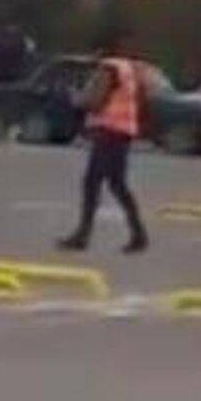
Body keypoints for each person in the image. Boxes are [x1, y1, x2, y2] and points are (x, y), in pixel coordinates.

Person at [56, 30, 149, 255]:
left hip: (108, 131)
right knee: (117, 184)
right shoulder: (133, 69)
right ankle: (138, 234)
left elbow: (96, 101)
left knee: (93, 182)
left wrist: (77, 99)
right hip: (124, 131)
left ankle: (83, 235)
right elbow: (141, 99)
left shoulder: (108, 68)